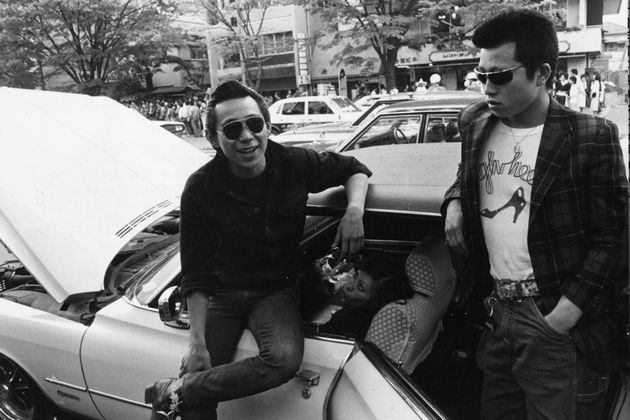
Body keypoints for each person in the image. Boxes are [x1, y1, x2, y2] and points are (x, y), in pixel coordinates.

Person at [145, 80, 371, 420]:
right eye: (232, 129)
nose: (247, 137)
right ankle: (187, 392)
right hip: (222, 292)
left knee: (283, 358)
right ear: (213, 139)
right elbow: (196, 270)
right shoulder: (200, 188)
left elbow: (355, 169)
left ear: (268, 125)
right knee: (195, 397)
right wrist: (196, 343)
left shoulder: (295, 162)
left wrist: (354, 212)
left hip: (275, 291)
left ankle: (179, 389)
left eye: (254, 124)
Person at [442, 9, 628, 420]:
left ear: (542, 74)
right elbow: (468, 175)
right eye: (481, 74)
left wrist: (564, 313)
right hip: (495, 312)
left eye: (500, 76)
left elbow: (611, 235)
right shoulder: (475, 122)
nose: (487, 87)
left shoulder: (590, 136)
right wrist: (455, 200)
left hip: (551, 317)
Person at [318, 254, 413, 339]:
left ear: (375, 301)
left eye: (360, 287)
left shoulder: (345, 322)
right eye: (355, 276)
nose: (348, 285)